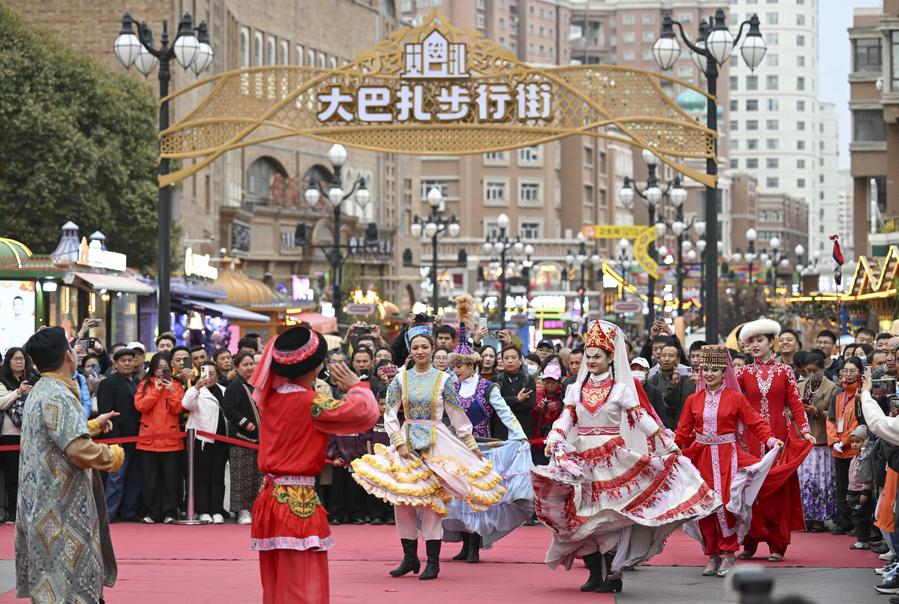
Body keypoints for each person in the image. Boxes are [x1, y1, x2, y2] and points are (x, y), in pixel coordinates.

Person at [532, 320, 720, 594]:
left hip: (613, 459)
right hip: (583, 459)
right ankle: (595, 572)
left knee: (609, 518)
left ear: (611, 358)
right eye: (589, 355)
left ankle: (613, 573)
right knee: (582, 516)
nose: (592, 360)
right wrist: (555, 437)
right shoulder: (575, 389)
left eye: (598, 356)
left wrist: (665, 442)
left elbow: (640, 418)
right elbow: (566, 418)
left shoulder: (621, 389)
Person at [351, 325, 506, 581]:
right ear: (410, 351)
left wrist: (471, 443)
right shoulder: (401, 378)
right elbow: (389, 413)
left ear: (432, 349)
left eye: (425, 346)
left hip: (437, 442)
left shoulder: (444, 380)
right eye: (416, 347)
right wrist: (398, 441)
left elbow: (456, 414)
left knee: (432, 502)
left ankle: (432, 561)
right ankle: (410, 558)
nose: (420, 351)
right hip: (407, 440)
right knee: (403, 501)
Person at [249, 325, 378, 603]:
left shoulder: (270, 400)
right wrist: (358, 385)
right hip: (299, 500)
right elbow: (365, 413)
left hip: (270, 498)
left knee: (275, 579)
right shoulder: (312, 403)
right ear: (317, 366)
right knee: (302, 581)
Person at [15, 327, 123, 603]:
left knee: (50, 585)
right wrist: (112, 456)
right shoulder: (60, 394)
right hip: (61, 507)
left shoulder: (42, 388)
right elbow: (78, 450)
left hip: (40, 505)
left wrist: (91, 426)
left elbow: (53, 436)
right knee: (72, 586)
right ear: (68, 356)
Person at [675, 345, 782, 577]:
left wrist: (770, 439)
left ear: (725, 372)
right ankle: (712, 554)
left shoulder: (735, 398)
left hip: (728, 456)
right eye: (706, 369)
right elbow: (682, 432)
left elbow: (755, 422)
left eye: (715, 369)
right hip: (701, 457)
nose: (710, 374)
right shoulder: (693, 399)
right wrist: (669, 448)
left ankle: (729, 553)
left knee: (726, 505)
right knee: (705, 507)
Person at [442, 296, 532, 563]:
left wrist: (519, 438)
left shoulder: (487, 387)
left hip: (482, 450)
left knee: (477, 498)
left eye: (459, 365)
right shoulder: (451, 387)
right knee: (459, 498)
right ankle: (465, 545)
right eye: (454, 365)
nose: (455, 368)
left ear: (472, 365)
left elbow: (505, 413)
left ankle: (474, 548)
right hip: (457, 448)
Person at [735, 319, 816, 562]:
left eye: (760, 340)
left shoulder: (785, 371)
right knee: (750, 487)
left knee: (777, 489)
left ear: (772, 343)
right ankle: (749, 541)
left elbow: (795, 404)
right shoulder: (742, 373)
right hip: (751, 437)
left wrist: (805, 430)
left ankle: (777, 544)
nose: (755, 346)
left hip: (780, 436)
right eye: (751, 342)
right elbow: (734, 405)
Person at [134, 352, 186, 524]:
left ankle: (169, 512)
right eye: (158, 368)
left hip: (171, 439)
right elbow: (141, 406)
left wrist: (170, 390)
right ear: (152, 368)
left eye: (165, 368)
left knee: (170, 480)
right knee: (149, 480)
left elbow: (179, 408)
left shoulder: (177, 385)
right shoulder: (143, 385)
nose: (161, 371)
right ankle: (150, 512)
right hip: (148, 440)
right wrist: (156, 391)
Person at [796, 351, 840, 532]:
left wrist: (818, 412)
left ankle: (820, 518)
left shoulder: (832, 388)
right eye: (808, 370)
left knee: (820, 480)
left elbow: (836, 415)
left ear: (822, 369)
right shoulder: (799, 385)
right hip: (804, 440)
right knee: (805, 480)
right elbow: (789, 410)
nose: (811, 373)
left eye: (815, 370)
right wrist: (798, 410)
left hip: (822, 441)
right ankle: (805, 516)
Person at [182, 361, 230, 524]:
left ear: (218, 376)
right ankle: (203, 510)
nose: (208, 378)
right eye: (205, 374)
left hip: (222, 439)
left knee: (218, 475)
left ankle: (216, 509)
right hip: (202, 439)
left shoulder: (224, 390)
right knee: (202, 475)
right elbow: (186, 405)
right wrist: (196, 387)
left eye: (212, 374)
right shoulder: (196, 391)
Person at [98, 347, 141, 521]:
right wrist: (114, 440)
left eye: (130, 360)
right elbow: (105, 412)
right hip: (118, 438)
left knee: (134, 477)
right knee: (116, 477)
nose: (127, 363)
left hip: (138, 437)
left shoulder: (138, 382)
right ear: (115, 363)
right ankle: (109, 513)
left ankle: (128, 512)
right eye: (123, 360)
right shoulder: (108, 383)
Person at [827, 356, 865, 536]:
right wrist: (835, 441)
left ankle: (857, 523)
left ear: (860, 373)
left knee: (855, 487)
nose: (848, 375)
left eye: (852, 371)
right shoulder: (838, 395)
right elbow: (831, 419)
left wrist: (844, 442)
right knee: (841, 486)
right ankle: (844, 521)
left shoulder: (861, 395)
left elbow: (858, 422)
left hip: (853, 449)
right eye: (845, 371)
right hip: (838, 450)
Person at [0, 347, 37, 523]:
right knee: (12, 475)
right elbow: (2, 403)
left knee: (30, 475)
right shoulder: (2, 379)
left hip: (31, 434)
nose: (19, 361)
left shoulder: (33, 378)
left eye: (22, 358)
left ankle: (29, 512)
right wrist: (18, 392)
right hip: (10, 434)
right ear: (8, 361)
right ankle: (13, 512)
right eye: (15, 358)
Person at [224, 351, 261, 525]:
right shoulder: (234, 386)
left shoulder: (258, 385)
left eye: (251, 364)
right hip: (240, 438)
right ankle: (243, 511)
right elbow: (229, 409)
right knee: (240, 476)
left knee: (256, 475)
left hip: (260, 439)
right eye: (245, 365)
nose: (249, 368)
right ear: (237, 367)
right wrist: (245, 422)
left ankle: (256, 508)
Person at [647, 343, 695, 429]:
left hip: (679, 427)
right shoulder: (653, 380)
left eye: (671, 356)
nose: (666, 359)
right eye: (663, 355)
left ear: (678, 360)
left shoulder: (687, 381)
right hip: (659, 428)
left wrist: (674, 384)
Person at [493, 345, 536, 441]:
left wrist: (506, 404)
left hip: (523, 430)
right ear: (502, 361)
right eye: (506, 358)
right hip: (501, 431)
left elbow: (529, 404)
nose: (509, 361)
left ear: (520, 361)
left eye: (513, 357)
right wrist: (517, 399)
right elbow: (495, 403)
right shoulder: (495, 380)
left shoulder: (528, 380)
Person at [846, 425, 874, 550]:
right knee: (856, 517)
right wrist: (848, 491)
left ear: (865, 442)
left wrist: (865, 492)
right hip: (853, 492)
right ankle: (862, 539)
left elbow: (866, 476)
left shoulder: (864, 458)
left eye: (858, 442)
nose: (854, 445)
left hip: (860, 493)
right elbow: (850, 477)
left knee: (861, 518)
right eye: (852, 442)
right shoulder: (854, 458)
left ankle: (863, 540)